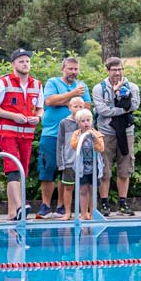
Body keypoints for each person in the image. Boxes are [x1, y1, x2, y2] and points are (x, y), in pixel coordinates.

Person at [0, 48, 39, 221]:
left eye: (27, 61)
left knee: (21, 171)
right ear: (13, 64)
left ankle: (11, 212)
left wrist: (38, 117)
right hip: (8, 132)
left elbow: (40, 107)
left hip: (27, 134)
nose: (25, 64)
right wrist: (14, 116)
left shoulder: (37, 84)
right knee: (13, 168)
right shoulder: (3, 82)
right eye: (21, 61)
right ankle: (20, 207)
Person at [36, 55, 87, 218]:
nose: (73, 72)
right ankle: (45, 206)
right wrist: (72, 96)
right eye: (70, 68)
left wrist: (65, 101)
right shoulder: (53, 82)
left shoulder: (82, 85)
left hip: (73, 136)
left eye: (75, 69)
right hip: (51, 134)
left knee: (66, 171)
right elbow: (50, 101)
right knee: (47, 168)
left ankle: (61, 207)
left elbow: (86, 107)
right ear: (62, 69)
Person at [91, 57, 140, 216]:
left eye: (120, 69)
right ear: (107, 70)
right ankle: (104, 204)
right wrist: (122, 110)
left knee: (125, 170)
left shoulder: (132, 87)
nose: (117, 72)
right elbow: (102, 110)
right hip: (106, 132)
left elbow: (134, 105)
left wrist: (120, 95)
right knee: (104, 170)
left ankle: (123, 203)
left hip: (127, 132)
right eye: (114, 70)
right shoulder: (99, 88)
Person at [57, 104, 106, 221]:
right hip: (81, 167)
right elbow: (74, 146)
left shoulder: (96, 133)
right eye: (82, 121)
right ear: (78, 123)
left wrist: (94, 138)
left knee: (92, 190)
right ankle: (83, 213)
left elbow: (101, 148)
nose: (85, 123)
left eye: (88, 120)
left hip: (94, 167)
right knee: (83, 190)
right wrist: (81, 139)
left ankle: (92, 212)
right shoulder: (76, 134)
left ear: (91, 121)